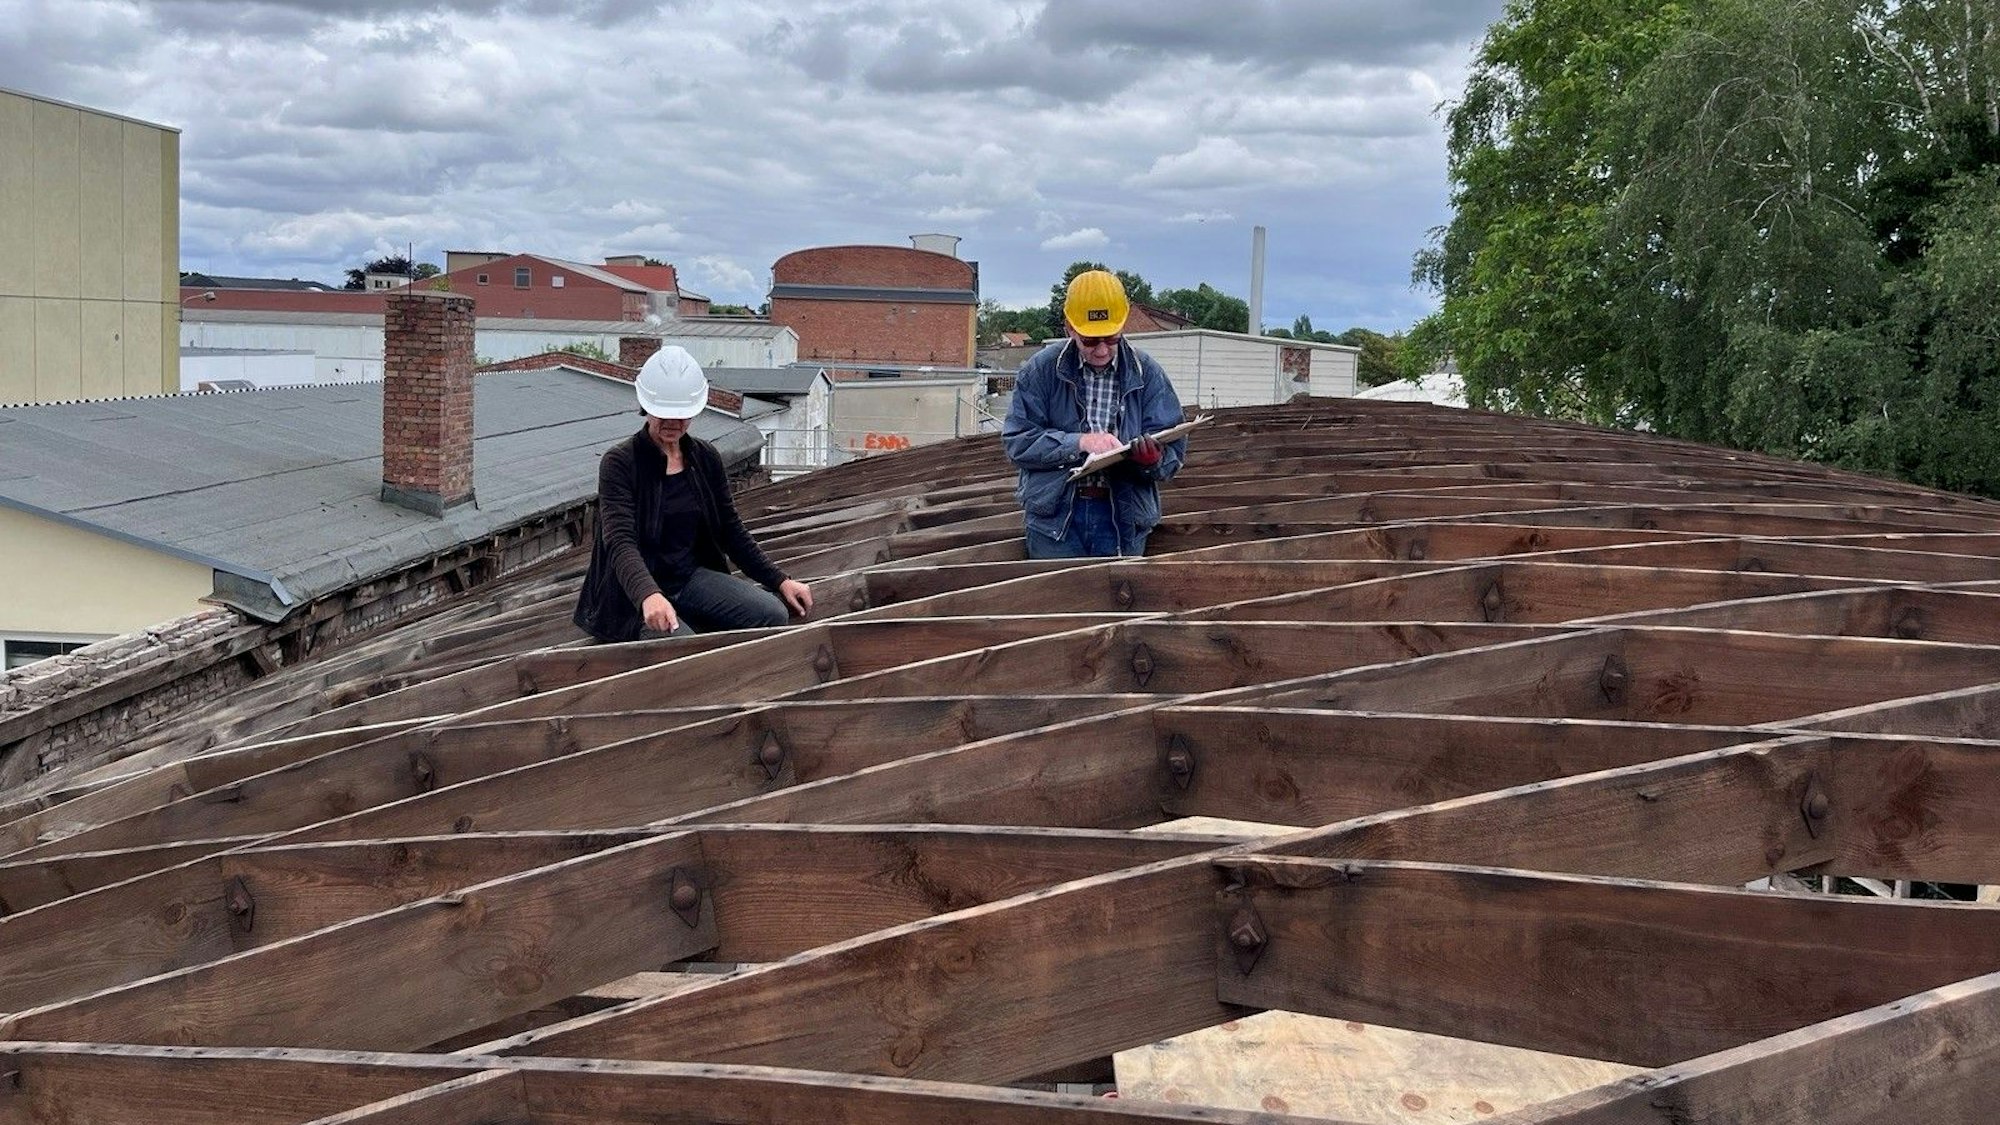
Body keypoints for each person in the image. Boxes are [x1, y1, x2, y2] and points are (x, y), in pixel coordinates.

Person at [573, 346, 812, 641]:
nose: (673, 423)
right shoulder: (620, 463)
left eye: (682, 415)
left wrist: (779, 580)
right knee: (685, 650)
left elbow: (730, 530)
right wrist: (648, 595)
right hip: (633, 594)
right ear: (646, 406)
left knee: (772, 613)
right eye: (663, 414)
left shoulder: (705, 458)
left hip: (689, 579)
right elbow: (620, 542)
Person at [1002, 269, 1187, 558]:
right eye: (1090, 341)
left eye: (1111, 339)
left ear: (1123, 325)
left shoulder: (1147, 372)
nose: (1101, 351)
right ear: (1069, 328)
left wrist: (1152, 460)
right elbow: (1018, 442)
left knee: (1117, 602)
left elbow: (1172, 452)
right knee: (1055, 600)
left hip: (1123, 518)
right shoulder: (1040, 371)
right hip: (1055, 521)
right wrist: (1081, 443)